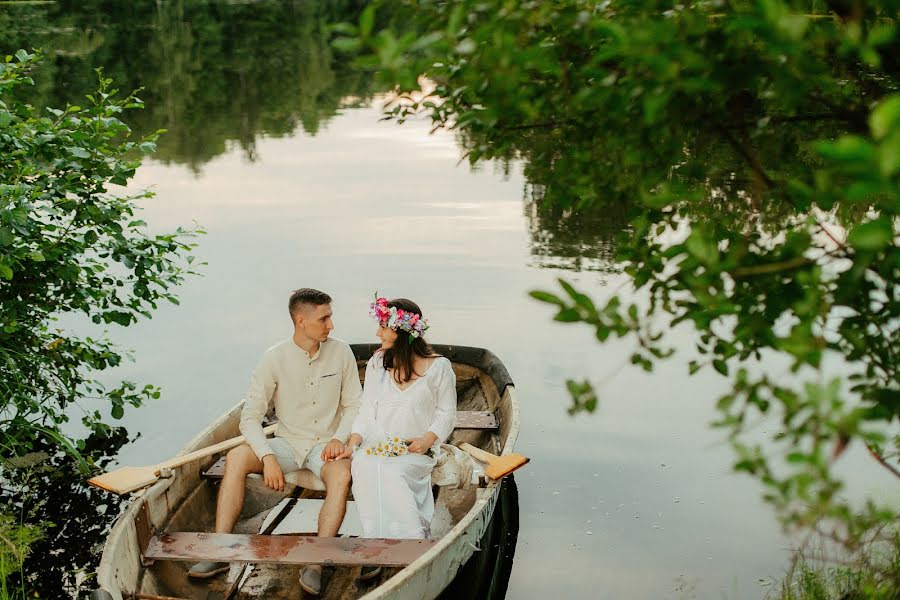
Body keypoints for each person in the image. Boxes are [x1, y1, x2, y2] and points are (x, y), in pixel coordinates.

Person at [188, 288, 361, 597]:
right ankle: (218, 551)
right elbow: (250, 418)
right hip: (288, 444)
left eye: (330, 317)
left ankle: (316, 562)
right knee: (238, 456)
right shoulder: (273, 358)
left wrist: (339, 438)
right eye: (324, 319)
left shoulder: (342, 352)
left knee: (342, 475)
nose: (331, 325)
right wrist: (267, 456)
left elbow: (353, 406)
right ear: (301, 320)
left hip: (326, 447)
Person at [338, 297, 457, 545]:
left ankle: (411, 539)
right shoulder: (377, 364)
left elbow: (447, 413)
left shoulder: (439, 367)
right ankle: (376, 539)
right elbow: (366, 408)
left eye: (383, 326)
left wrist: (426, 440)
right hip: (377, 445)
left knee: (391, 471)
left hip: (415, 449)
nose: (377, 332)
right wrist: (354, 441)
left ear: (401, 330)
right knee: (364, 465)